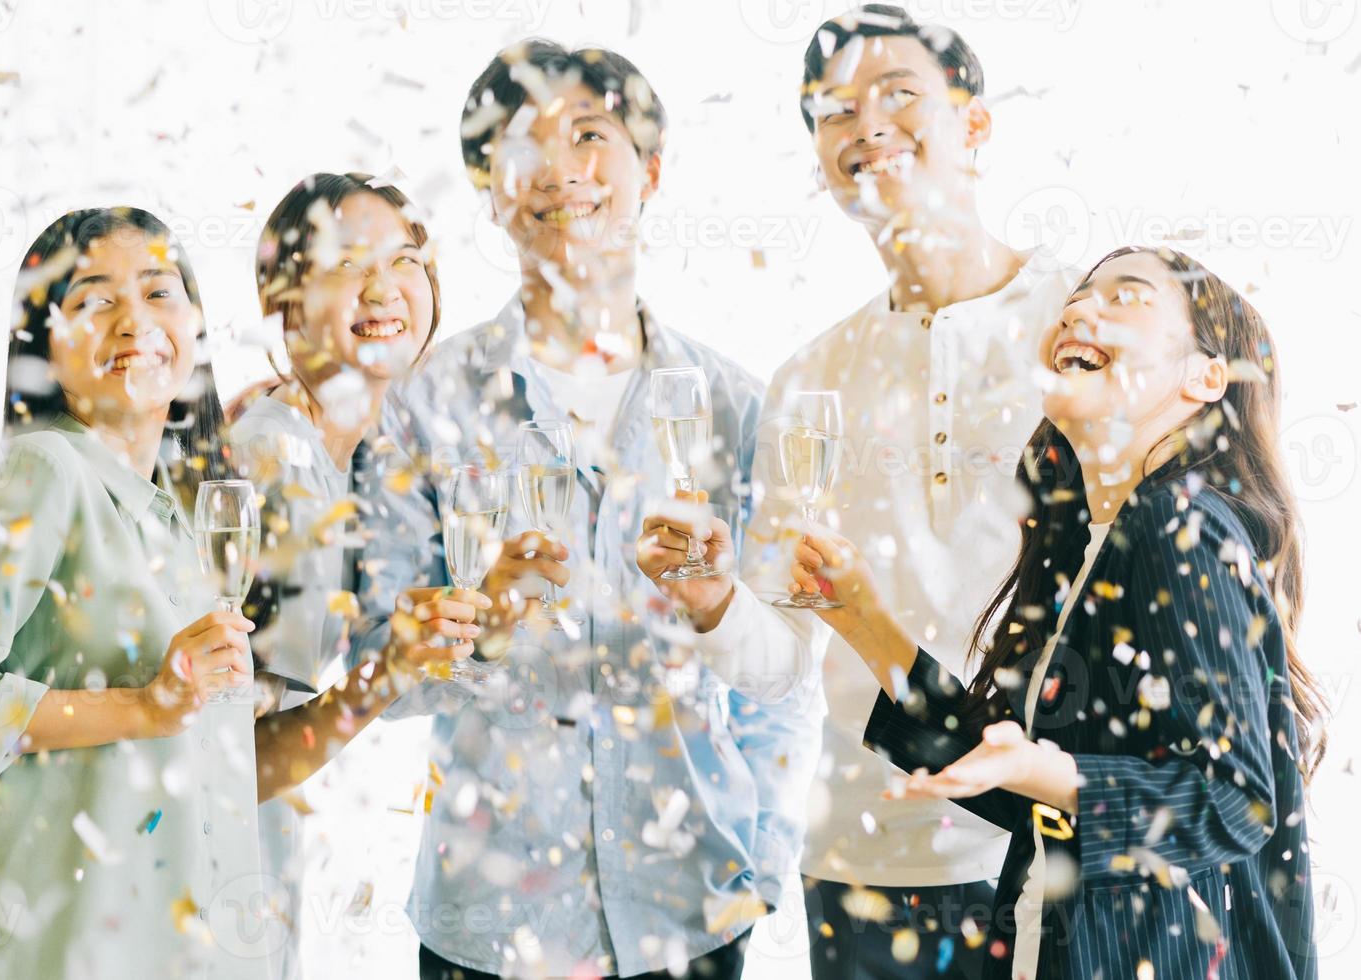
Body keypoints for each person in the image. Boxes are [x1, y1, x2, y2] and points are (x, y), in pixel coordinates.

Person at [357, 39, 820, 979]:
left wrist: (763, 862)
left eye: (590, 135)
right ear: (489, 189)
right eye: (521, 142)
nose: (559, 168)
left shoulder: (734, 405)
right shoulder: (424, 406)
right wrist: (480, 632)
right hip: (489, 916)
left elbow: (785, 673)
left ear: (648, 169)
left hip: (694, 906)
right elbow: (376, 670)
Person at [637, 7, 1077, 976]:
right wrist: (714, 601)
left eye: (896, 92)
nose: (863, 122)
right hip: (860, 856)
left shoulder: (1079, 326)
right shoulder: (808, 379)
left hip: (1055, 845)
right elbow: (780, 662)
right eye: (833, 110)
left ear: (975, 124)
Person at [791, 247, 1326, 978]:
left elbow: (1233, 802)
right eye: (1076, 298)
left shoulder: (1178, 527)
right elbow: (1021, 788)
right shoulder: (1099, 542)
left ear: (1207, 376)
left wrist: (1054, 773)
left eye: (1126, 298)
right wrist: (858, 618)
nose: (1078, 311)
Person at [0, 207, 272, 979]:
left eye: (160, 293)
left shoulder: (181, 517)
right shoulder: (43, 472)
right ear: (43, 343)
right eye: (94, 300)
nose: (135, 321)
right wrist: (143, 706)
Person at [227, 172, 487, 979]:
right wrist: (389, 669)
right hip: (204, 856)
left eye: (406, 260)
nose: (384, 290)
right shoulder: (281, 457)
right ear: (286, 301)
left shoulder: (370, 455)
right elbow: (247, 747)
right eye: (347, 265)